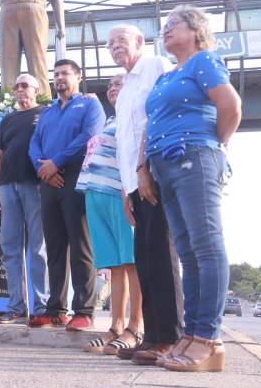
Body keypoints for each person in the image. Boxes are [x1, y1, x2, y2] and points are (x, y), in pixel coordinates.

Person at [143, 5, 241, 372]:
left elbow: (231, 106)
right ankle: (190, 333)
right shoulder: (167, 76)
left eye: (174, 25)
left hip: (194, 156)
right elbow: (150, 121)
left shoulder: (204, 61)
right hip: (164, 165)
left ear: (196, 30)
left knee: (206, 245)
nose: (165, 31)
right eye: (164, 27)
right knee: (187, 251)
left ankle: (207, 338)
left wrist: (214, 145)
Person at [104, 24, 184, 363]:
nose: (115, 47)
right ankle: (151, 336)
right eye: (109, 44)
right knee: (145, 260)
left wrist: (144, 170)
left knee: (163, 258)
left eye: (121, 40)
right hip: (134, 184)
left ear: (140, 41)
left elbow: (157, 122)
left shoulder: (155, 66)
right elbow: (123, 144)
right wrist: (125, 191)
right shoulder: (123, 92)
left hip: (153, 174)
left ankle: (171, 337)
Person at [28, 59, 105, 331]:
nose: (59, 78)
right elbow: (34, 142)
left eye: (65, 73)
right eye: (56, 74)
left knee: (81, 245)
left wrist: (56, 162)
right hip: (49, 180)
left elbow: (89, 136)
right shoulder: (47, 112)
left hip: (76, 177)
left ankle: (84, 310)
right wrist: (43, 166)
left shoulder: (90, 105)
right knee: (55, 248)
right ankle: (55, 310)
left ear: (78, 77)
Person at [76, 75, 143, 353]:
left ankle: (135, 327)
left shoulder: (134, 118)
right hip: (95, 194)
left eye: (120, 84)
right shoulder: (109, 121)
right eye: (111, 86)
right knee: (113, 264)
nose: (113, 89)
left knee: (131, 261)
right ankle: (115, 326)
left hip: (120, 193)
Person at [0, 74, 49, 324]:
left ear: (36, 89)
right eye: (17, 87)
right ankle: (15, 306)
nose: (20, 90)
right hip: (7, 187)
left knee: (37, 247)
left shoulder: (47, 113)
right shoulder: (8, 120)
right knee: (10, 248)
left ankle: (41, 308)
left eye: (25, 85)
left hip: (35, 185)